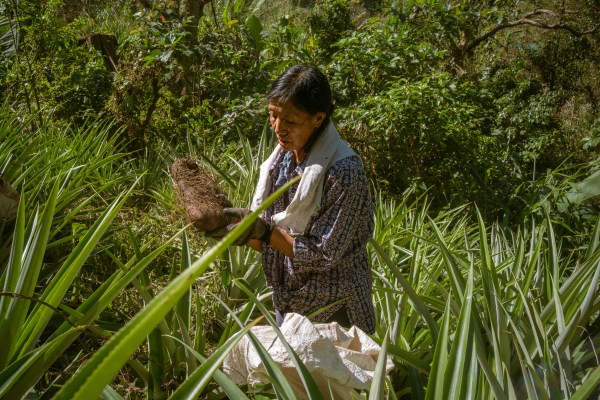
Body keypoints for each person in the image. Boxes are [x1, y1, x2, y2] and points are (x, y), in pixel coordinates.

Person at [210, 65, 376, 334]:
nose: (278, 128)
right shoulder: (282, 160)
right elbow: (271, 241)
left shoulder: (344, 172)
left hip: (336, 310)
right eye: (273, 116)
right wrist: (229, 227)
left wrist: (263, 231)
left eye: (290, 121)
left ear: (318, 118)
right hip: (290, 301)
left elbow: (323, 254)